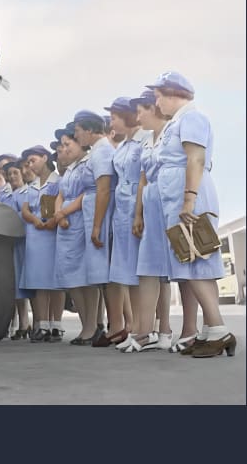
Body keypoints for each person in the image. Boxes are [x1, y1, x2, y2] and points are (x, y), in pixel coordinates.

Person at [148, 71, 236, 358]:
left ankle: (219, 330)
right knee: (192, 263)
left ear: (173, 94)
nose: (156, 102)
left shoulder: (191, 118)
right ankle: (211, 329)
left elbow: (195, 157)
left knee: (195, 260)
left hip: (190, 195)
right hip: (180, 196)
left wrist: (189, 200)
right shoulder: (179, 121)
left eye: (159, 96)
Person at [94, 98, 149, 348]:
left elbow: (142, 178)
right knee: (128, 271)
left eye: (115, 116)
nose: (111, 121)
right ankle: (137, 328)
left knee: (142, 271)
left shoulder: (143, 140)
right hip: (122, 211)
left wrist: (139, 213)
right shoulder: (124, 145)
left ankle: (145, 328)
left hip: (138, 208)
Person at [123, 90, 172, 352]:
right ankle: (146, 331)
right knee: (150, 267)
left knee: (171, 271)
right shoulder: (146, 141)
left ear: (154, 108)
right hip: (150, 203)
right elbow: (143, 178)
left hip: (168, 201)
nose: (138, 115)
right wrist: (138, 214)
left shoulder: (171, 133)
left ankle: (165, 329)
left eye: (141, 109)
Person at [72, 110, 115, 346]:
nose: (77, 136)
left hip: (100, 216)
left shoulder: (101, 152)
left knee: (105, 275)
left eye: (78, 131)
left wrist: (97, 226)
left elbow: (103, 189)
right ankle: (106, 326)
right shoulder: (97, 151)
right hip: (93, 214)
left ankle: (114, 326)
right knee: (99, 275)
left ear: (89, 130)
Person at [20, 145, 64, 342]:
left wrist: (51, 221)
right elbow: (25, 210)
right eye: (28, 162)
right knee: (39, 281)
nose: (31, 165)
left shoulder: (57, 181)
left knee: (55, 281)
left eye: (33, 160)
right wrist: (34, 220)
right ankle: (43, 324)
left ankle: (57, 324)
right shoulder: (32, 186)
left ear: (45, 158)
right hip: (36, 234)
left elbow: (58, 206)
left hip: (52, 234)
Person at [2, 160, 36, 339]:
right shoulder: (5, 195)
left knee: (31, 282)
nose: (12, 177)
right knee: (17, 286)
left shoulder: (28, 193)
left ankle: (37, 322)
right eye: (9, 174)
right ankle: (23, 323)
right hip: (12, 243)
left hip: (26, 241)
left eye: (15, 173)